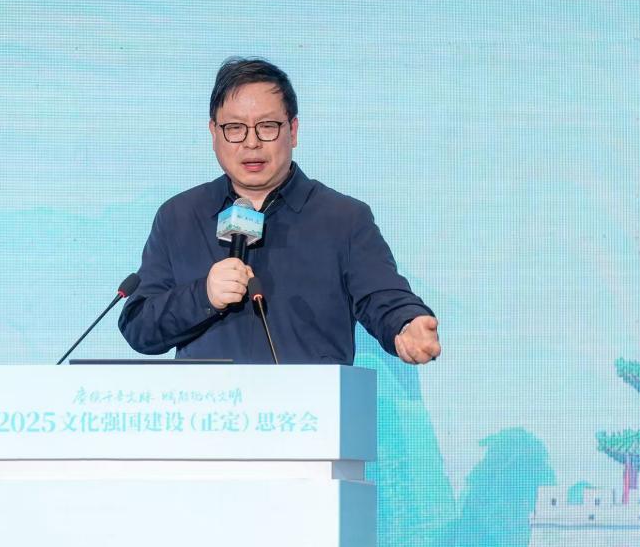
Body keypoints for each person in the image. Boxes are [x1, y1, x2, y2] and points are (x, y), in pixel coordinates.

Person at [119, 57, 441, 365]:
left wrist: (407, 323)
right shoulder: (179, 217)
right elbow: (139, 327)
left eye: (267, 126)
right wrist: (203, 296)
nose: (251, 143)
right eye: (235, 128)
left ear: (293, 130)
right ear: (214, 133)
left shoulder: (343, 219)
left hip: (310, 403)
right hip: (210, 404)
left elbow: (383, 297)